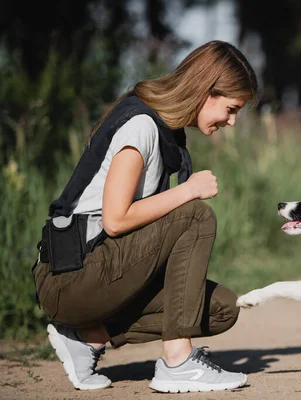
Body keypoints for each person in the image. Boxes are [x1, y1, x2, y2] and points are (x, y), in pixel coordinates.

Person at [32, 40, 258, 393]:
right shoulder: (141, 125)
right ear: (205, 91)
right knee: (196, 215)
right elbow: (116, 220)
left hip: (102, 273)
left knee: (222, 308)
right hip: (69, 278)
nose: (232, 121)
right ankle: (178, 361)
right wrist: (187, 190)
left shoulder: (168, 134)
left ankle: (88, 336)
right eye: (231, 109)